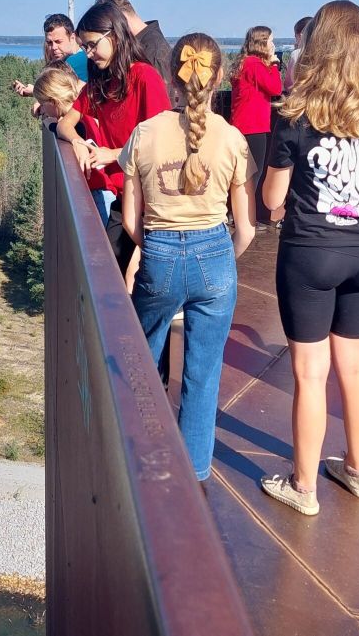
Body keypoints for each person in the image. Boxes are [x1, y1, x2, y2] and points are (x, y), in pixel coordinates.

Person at [257, 1, 359, 516]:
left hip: (312, 254)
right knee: (355, 367)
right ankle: (358, 471)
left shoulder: (296, 113)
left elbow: (273, 199)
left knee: (309, 373)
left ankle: (303, 487)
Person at [120, 33, 257, 482]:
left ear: (170, 78)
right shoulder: (233, 139)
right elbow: (247, 228)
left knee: (143, 364)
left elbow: (131, 220)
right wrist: (220, 258)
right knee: (203, 374)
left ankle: (143, 458)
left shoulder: (144, 134)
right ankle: (195, 473)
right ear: (218, 78)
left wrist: (158, 249)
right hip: (215, 254)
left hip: (158, 249)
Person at [56, 3, 171, 275]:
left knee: (150, 275)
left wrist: (114, 154)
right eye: (84, 46)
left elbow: (162, 141)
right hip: (124, 194)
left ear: (115, 35)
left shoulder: (144, 77)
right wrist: (77, 142)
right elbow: (64, 123)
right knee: (106, 270)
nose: (88, 53)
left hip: (154, 198)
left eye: (92, 45)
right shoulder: (101, 84)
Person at [35, 63, 114, 224]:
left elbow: (59, 129)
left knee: (100, 236)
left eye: (43, 104)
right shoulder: (86, 115)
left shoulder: (76, 124)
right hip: (104, 188)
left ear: (53, 101)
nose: (42, 110)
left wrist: (50, 124)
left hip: (99, 192)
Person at [230, 25, 283, 226]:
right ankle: (245, 218)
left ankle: (235, 215)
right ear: (262, 43)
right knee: (253, 174)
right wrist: (275, 65)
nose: (273, 45)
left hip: (241, 125)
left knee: (241, 173)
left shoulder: (244, 63)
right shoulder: (255, 64)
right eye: (271, 41)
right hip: (254, 127)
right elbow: (275, 88)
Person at [94, 0, 171, 83]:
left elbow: (161, 91)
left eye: (109, 28)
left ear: (120, 20)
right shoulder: (142, 47)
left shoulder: (154, 53)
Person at [11, 13, 88, 98]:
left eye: (58, 41)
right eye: (49, 43)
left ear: (72, 37)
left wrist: (35, 91)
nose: (54, 47)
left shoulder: (72, 62)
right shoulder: (84, 56)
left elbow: (62, 97)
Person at [282, 16, 312, 91]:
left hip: (300, 96)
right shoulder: (326, 53)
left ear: (300, 36)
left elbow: (288, 85)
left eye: (295, 37)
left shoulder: (296, 54)